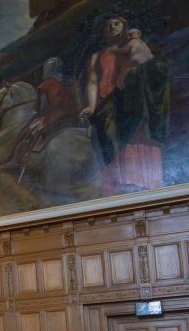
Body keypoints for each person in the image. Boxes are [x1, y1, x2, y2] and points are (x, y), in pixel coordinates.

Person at [79, 16, 167, 197]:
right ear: (104, 32)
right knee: (111, 143)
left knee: (136, 142)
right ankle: (115, 192)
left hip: (130, 105)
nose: (112, 27)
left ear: (125, 27)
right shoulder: (96, 56)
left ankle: (146, 187)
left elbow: (147, 64)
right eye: (108, 25)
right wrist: (91, 106)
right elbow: (93, 82)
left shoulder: (134, 46)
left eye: (117, 23)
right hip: (109, 107)